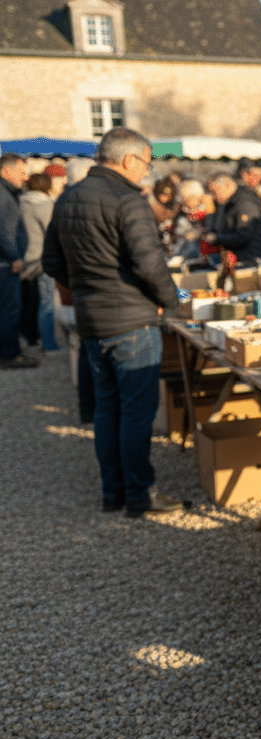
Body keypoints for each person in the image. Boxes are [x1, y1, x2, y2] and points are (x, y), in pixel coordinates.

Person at [41, 128, 184, 516]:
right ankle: (139, 494)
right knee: (135, 410)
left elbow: (52, 261)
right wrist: (171, 302)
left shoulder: (69, 197)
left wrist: (85, 288)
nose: (147, 171)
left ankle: (114, 492)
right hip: (130, 319)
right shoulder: (128, 199)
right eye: (146, 163)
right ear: (128, 160)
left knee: (108, 408)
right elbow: (149, 263)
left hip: (92, 318)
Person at [0, 153, 36, 368]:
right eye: (21, 172)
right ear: (6, 172)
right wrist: (14, 257)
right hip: (6, 265)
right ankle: (10, 355)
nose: (25, 177)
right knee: (9, 311)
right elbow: (5, 232)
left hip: (6, 262)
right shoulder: (4, 195)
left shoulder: (7, 193)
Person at [20, 173, 59, 352]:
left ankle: (29, 337)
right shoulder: (46, 205)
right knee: (46, 303)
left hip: (23, 258)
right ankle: (49, 343)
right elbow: (52, 234)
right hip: (41, 259)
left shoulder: (20, 201)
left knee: (28, 301)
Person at [204, 173, 261, 267]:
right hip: (240, 256)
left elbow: (244, 235)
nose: (213, 196)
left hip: (251, 259)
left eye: (214, 192)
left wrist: (217, 238)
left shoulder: (244, 203)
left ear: (227, 185)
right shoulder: (230, 203)